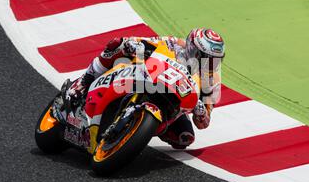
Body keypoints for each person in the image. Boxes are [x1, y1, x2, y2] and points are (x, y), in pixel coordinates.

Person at [67, 28, 225, 149]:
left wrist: (200, 111)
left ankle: (141, 131)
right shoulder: (174, 44)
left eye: (215, 60)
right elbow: (142, 41)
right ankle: (85, 80)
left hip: (173, 101)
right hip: (147, 77)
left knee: (185, 137)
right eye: (206, 58)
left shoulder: (211, 81)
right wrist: (133, 44)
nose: (209, 64)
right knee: (118, 44)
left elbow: (203, 123)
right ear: (192, 48)